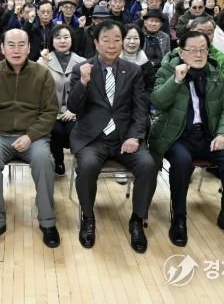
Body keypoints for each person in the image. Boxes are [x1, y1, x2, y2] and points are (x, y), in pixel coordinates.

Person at [150, 31, 224, 248]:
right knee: (181, 162)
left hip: (209, 135)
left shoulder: (215, 73)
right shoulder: (168, 70)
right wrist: (176, 80)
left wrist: (223, 134)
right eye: (192, 49)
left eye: (203, 49)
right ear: (181, 52)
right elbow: (157, 101)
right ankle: (179, 217)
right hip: (177, 135)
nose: (199, 54)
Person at [67, 21, 157, 253]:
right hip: (92, 138)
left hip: (124, 137)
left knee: (148, 165)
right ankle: (88, 217)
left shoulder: (133, 70)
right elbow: (74, 107)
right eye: (106, 40)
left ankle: (137, 220)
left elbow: (140, 109)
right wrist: (83, 82)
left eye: (117, 40)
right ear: (96, 43)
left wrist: (135, 137)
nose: (112, 45)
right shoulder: (82, 68)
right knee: (87, 166)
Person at [0, 29, 60, 250]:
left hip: (33, 136)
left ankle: (47, 221)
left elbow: (50, 112)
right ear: (2, 47)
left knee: (44, 161)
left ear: (29, 48)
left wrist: (30, 136)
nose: (16, 50)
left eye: (21, 45)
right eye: (11, 45)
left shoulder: (41, 73)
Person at [37, 25, 85, 176]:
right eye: (58, 38)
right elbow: (36, 86)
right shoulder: (43, 60)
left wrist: (74, 111)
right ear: (52, 41)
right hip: (51, 111)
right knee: (55, 130)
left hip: (74, 112)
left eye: (66, 37)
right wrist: (43, 62)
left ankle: (82, 163)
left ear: (72, 39)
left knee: (74, 130)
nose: (62, 41)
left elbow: (87, 92)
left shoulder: (82, 62)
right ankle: (58, 161)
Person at [187, 16, 224, 100]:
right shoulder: (177, 54)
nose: (204, 36)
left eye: (209, 33)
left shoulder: (219, 56)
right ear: (191, 32)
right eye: (200, 32)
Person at [121, 24, 155, 92]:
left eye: (136, 38)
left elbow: (150, 87)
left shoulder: (145, 62)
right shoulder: (113, 60)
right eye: (128, 38)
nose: (132, 42)